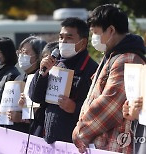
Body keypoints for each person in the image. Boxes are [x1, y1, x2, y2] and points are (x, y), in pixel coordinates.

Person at [72, 4, 146, 154]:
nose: (94, 38)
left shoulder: (127, 59)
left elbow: (110, 104)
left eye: (96, 32)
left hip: (113, 145)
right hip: (102, 144)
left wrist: (81, 132)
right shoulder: (113, 55)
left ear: (111, 30)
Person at [29, 17, 98, 144]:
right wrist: (42, 74)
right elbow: (35, 96)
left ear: (83, 43)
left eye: (69, 38)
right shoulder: (54, 64)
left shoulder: (92, 69)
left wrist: (75, 108)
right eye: (61, 37)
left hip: (74, 143)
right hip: (49, 139)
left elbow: (97, 109)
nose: (63, 41)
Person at [5, 36, 47, 133]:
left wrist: (21, 118)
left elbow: (41, 113)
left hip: (32, 134)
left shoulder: (42, 80)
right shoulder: (19, 78)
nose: (21, 56)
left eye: (25, 52)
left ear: (39, 56)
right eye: (20, 52)